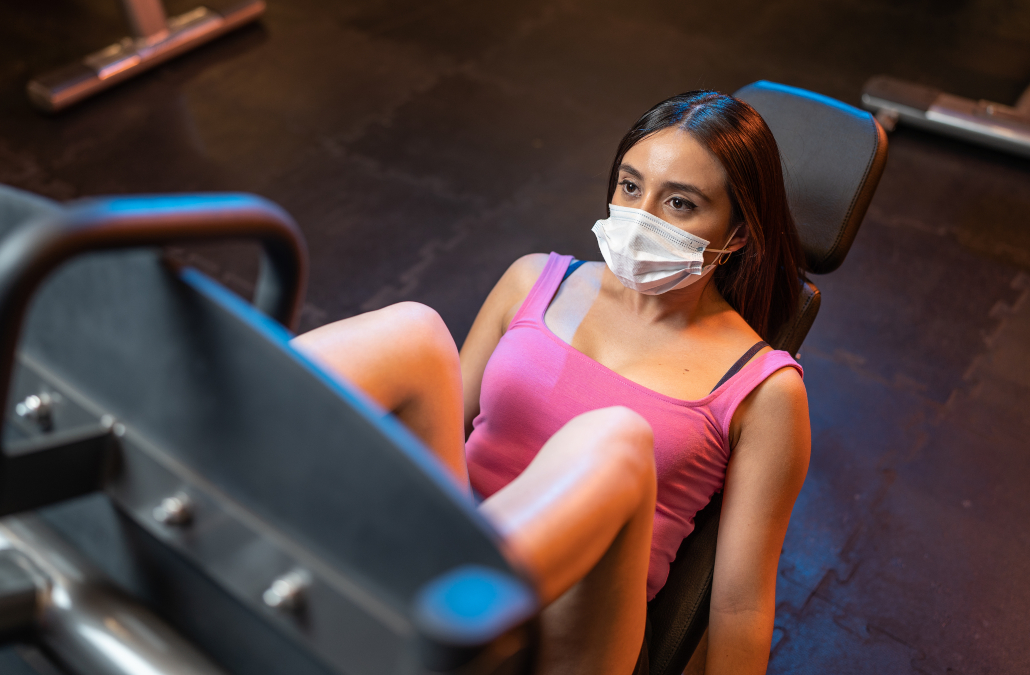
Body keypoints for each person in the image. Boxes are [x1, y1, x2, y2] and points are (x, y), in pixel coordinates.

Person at [292, 90, 811, 675]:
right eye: (631, 186)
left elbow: (741, 607)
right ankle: (204, 438)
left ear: (737, 234)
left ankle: (459, 607)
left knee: (610, 439)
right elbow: (435, 430)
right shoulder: (534, 280)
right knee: (413, 331)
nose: (641, 218)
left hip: (576, 629)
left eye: (681, 205)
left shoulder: (765, 391)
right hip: (443, 551)